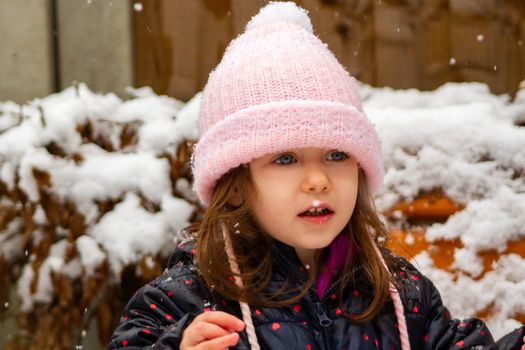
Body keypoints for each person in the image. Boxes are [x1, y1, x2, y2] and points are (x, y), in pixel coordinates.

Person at [107, 2, 525, 349]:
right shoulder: (192, 297)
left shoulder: (397, 292)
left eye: (336, 154)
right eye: (285, 159)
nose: (317, 179)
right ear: (234, 186)